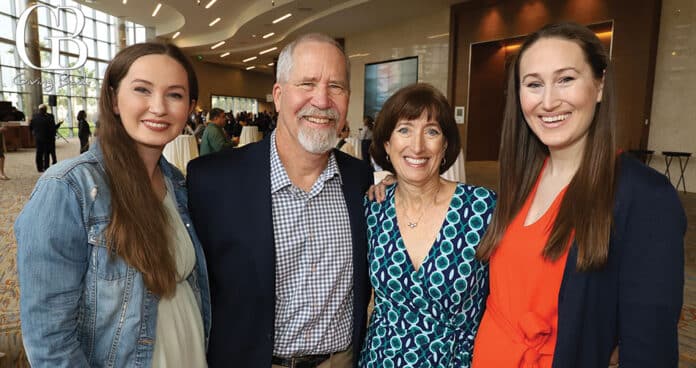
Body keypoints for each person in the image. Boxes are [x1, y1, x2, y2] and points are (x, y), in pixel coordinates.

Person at [471, 22, 685, 368]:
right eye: (534, 84)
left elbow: (650, 350)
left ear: (599, 85)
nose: (549, 101)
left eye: (566, 79)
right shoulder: (522, 178)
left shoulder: (645, 198)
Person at [15, 42, 211, 367]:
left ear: (190, 107)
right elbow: (49, 340)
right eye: (142, 90)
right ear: (114, 99)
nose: (159, 107)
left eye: (174, 95)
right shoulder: (67, 189)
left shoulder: (178, 183)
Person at [187, 33, 373, 368]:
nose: (322, 100)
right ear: (278, 94)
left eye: (336, 86)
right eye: (307, 83)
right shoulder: (213, 181)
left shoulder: (361, 180)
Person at [358, 83, 495, 367]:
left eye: (431, 131)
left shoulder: (482, 208)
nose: (417, 146)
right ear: (387, 143)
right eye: (404, 129)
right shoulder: (373, 209)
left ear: (445, 144)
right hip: (380, 359)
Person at [29, 104, 56, 172]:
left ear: (39, 109)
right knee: (46, 153)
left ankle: (39, 168)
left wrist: (34, 133)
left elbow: (30, 127)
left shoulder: (34, 117)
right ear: (45, 110)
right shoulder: (49, 117)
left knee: (39, 153)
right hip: (47, 138)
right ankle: (46, 167)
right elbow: (52, 128)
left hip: (38, 138)